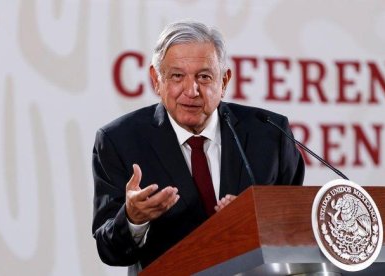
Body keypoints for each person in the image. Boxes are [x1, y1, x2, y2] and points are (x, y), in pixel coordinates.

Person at [92, 20, 304, 270]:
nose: (191, 90)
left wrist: (258, 220)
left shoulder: (269, 133)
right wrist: (132, 219)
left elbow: (298, 226)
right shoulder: (119, 140)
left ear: (224, 81)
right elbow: (109, 251)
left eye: (204, 77)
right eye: (177, 76)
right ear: (156, 79)